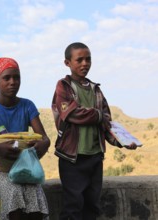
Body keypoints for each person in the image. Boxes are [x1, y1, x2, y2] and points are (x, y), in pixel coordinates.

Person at [51, 42, 138, 220]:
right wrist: (98, 115)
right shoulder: (64, 86)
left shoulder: (96, 90)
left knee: (92, 205)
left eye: (88, 59)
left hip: (95, 157)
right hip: (72, 158)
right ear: (67, 63)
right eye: (79, 60)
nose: (85, 63)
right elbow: (71, 113)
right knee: (73, 206)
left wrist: (120, 141)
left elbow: (107, 124)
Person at [0, 57, 51, 220]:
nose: (12, 82)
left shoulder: (27, 106)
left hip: (21, 166)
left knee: (35, 193)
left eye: (16, 77)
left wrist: (42, 145)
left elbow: (44, 138)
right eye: (6, 78)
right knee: (12, 191)